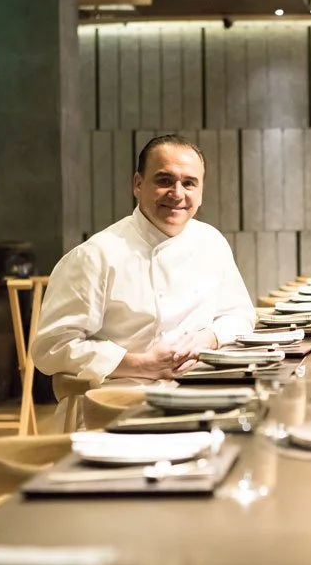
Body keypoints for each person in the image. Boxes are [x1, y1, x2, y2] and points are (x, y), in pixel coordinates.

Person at [32, 134, 256, 386]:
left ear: (201, 191)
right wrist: (142, 365)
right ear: (138, 184)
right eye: (164, 180)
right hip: (120, 398)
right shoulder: (95, 255)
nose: (177, 193)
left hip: (201, 386)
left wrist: (209, 337)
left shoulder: (211, 241)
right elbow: (51, 346)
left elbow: (240, 314)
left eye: (189, 183)